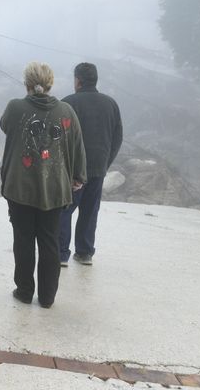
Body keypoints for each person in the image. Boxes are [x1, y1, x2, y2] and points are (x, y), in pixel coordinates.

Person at [0, 62, 86, 308]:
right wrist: (79, 176)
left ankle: (25, 291)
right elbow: (78, 145)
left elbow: (5, 126)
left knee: (23, 239)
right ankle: (47, 298)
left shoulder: (15, 107)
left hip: (20, 188)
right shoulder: (67, 111)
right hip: (55, 189)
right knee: (49, 242)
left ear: (27, 83)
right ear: (50, 84)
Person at [59, 62, 123, 266]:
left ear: (77, 80)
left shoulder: (68, 103)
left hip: (72, 170)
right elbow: (117, 138)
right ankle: (85, 252)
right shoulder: (110, 104)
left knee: (64, 209)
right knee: (90, 210)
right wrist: (105, 162)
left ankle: (61, 253)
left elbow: (57, 138)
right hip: (98, 168)